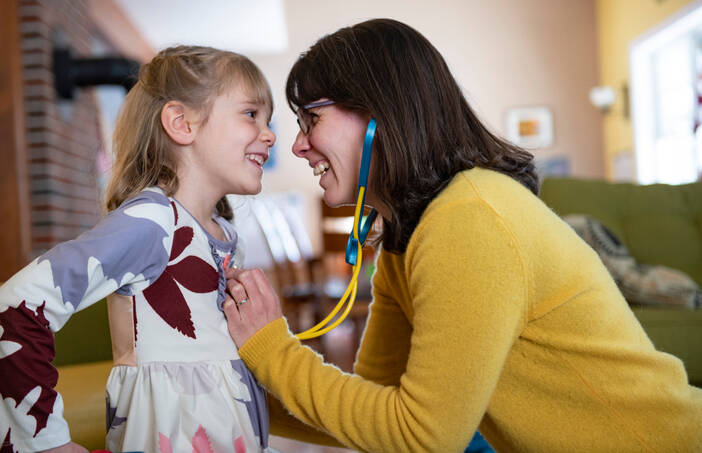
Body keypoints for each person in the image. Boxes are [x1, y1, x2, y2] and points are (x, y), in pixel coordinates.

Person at [222, 18, 702, 453]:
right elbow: (373, 407)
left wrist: (272, 348)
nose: (298, 144)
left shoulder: (468, 218)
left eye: (312, 119)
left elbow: (423, 437)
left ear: (377, 115)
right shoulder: (405, 235)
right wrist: (234, 393)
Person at [0, 45, 276, 453]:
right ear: (182, 123)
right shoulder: (153, 222)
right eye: (252, 114)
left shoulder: (226, 234)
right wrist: (45, 442)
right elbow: (15, 306)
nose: (269, 134)